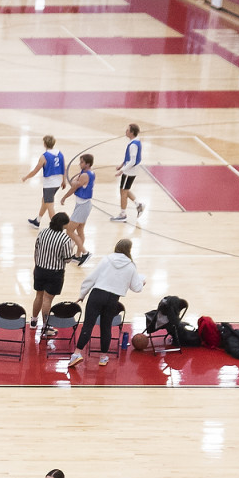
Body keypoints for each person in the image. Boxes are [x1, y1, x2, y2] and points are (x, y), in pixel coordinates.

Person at [67, 237, 145, 368]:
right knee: (106, 327)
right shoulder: (131, 266)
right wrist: (142, 281)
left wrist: (82, 294)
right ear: (129, 250)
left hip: (97, 295)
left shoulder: (107, 259)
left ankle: (76, 354)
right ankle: (103, 357)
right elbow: (136, 288)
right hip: (113, 299)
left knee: (88, 325)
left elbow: (91, 278)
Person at [29, 213, 73, 329]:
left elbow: (36, 250)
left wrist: (36, 265)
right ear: (63, 225)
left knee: (38, 296)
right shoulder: (65, 239)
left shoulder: (42, 232)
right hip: (55, 273)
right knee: (47, 299)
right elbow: (68, 259)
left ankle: (33, 321)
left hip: (39, 269)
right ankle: (45, 326)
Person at [21, 134, 66, 228]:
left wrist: (26, 177)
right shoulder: (60, 153)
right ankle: (37, 221)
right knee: (44, 201)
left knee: (50, 206)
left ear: (45, 144)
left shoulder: (44, 157)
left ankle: (56, 228)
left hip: (49, 184)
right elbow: (64, 168)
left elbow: (35, 171)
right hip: (57, 183)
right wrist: (64, 180)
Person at [57, 152, 94, 264]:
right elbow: (74, 182)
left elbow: (73, 187)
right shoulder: (87, 172)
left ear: (87, 164)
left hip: (83, 206)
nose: (79, 164)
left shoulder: (84, 175)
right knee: (80, 230)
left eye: (82, 162)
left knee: (69, 230)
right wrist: (75, 182)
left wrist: (64, 197)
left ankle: (85, 252)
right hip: (83, 205)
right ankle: (78, 255)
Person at [110, 123, 145, 223]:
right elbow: (129, 158)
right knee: (124, 189)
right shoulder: (136, 141)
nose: (126, 131)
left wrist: (122, 170)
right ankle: (139, 205)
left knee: (123, 192)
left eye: (127, 130)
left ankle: (123, 214)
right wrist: (121, 165)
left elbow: (133, 161)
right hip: (130, 170)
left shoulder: (133, 145)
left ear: (132, 132)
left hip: (129, 172)